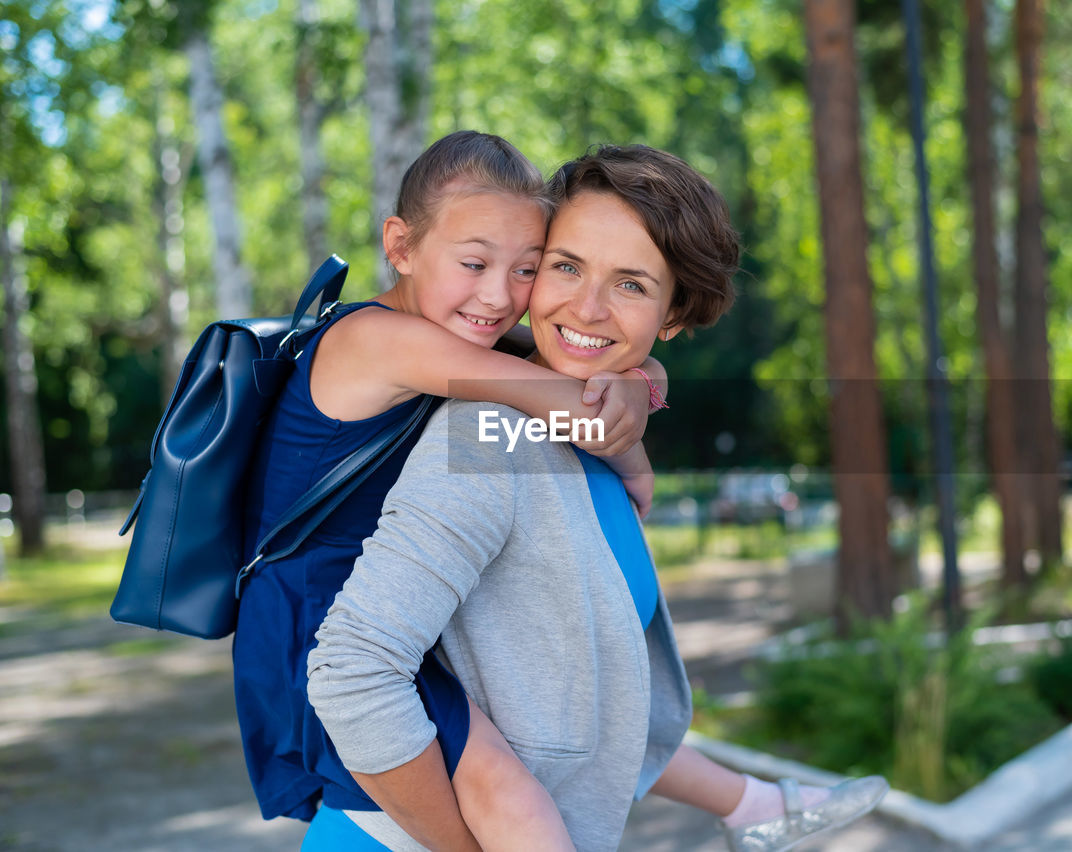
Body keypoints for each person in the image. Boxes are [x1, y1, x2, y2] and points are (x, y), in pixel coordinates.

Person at [307, 144, 888, 851]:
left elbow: (576, 698)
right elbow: (353, 670)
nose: (585, 306)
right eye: (566, 266)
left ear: (673, 318)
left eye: (632, 285)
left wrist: (641, 387)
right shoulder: (488, 437)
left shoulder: (565, 430)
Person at [233, 131, 668, 851]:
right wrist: (636, 446)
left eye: (527, 270)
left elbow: (606, 373)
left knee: (514, 792)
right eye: (474, 262)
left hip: (369, 616)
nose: (499, 297)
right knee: (513, 805)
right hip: (323, 626)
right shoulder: (381, 340)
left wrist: (640, 380)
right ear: (400, 246)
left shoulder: (448, 337)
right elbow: (574, 404)